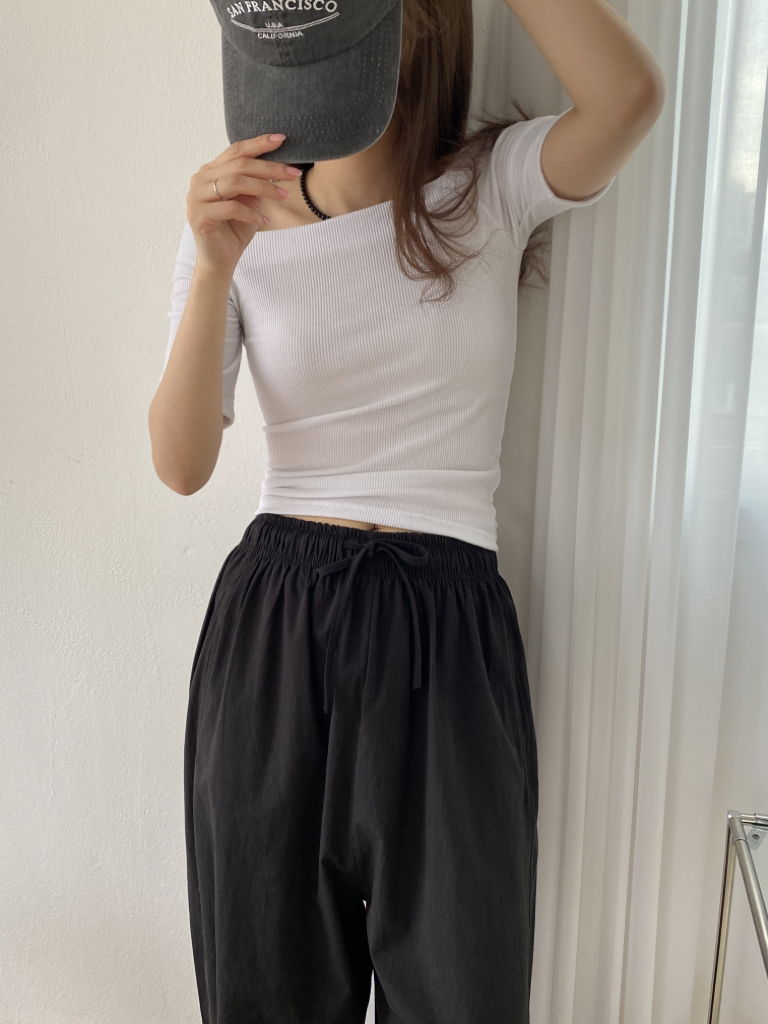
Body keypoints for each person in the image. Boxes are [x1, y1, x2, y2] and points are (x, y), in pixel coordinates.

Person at [148, 0, 664, 1020]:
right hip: (277, 632)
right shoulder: (237, 223)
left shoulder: (489, 187)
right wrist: (211, 268)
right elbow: (181, 463)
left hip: (447, 635)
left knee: (463, 990)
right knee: (266, 993)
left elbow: (629, 98)